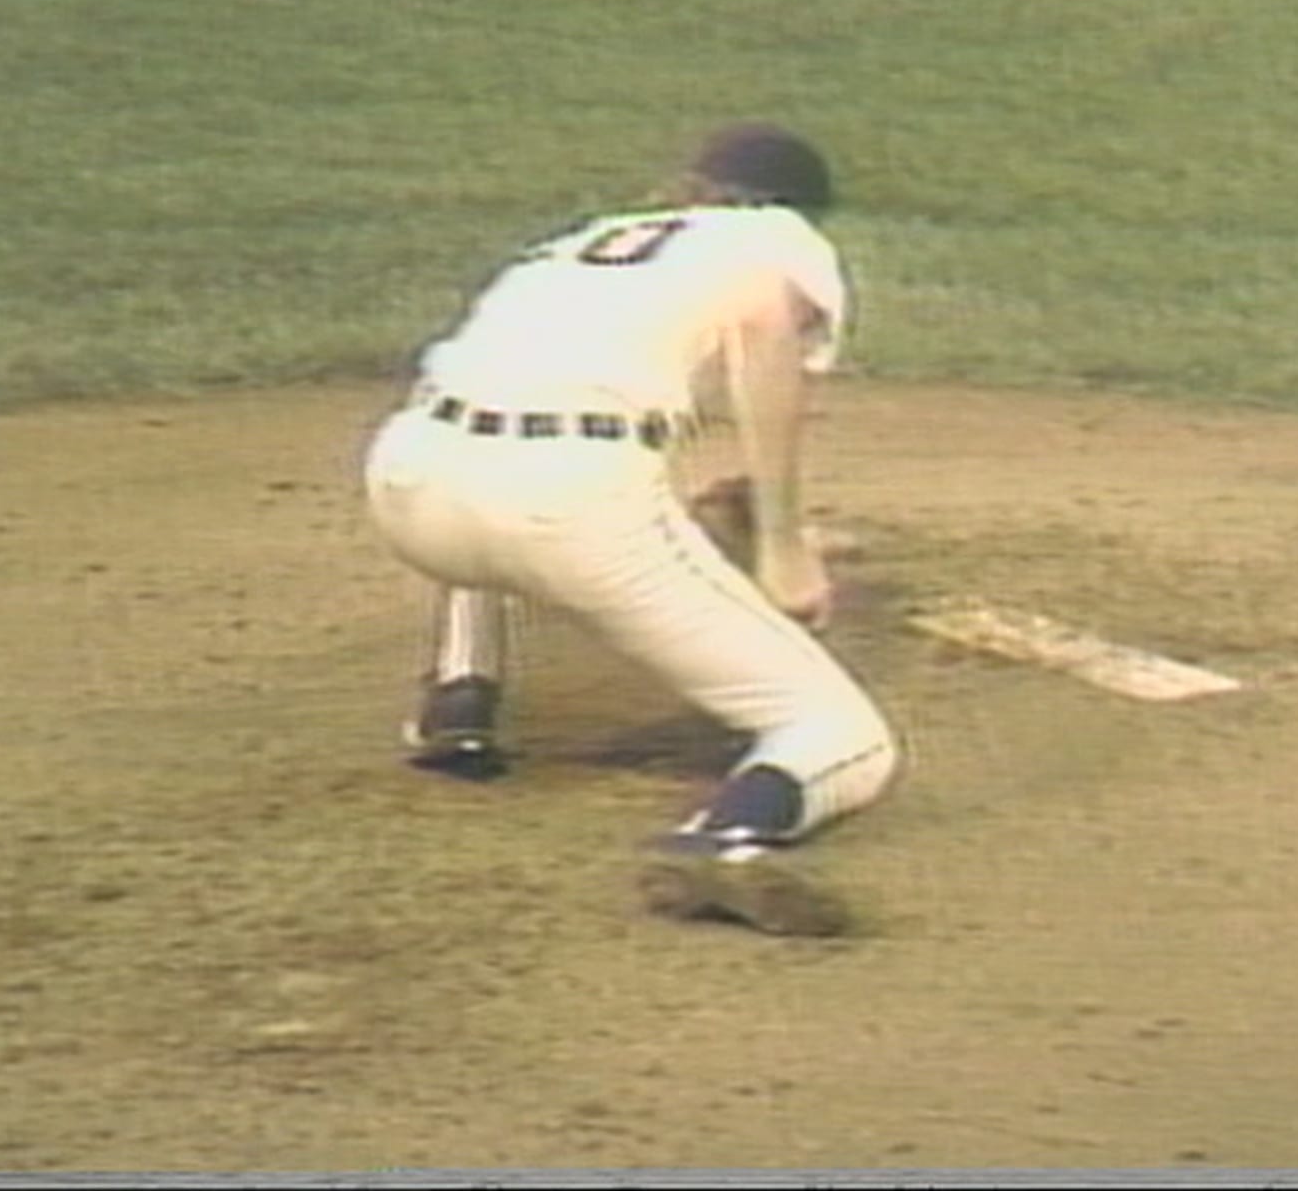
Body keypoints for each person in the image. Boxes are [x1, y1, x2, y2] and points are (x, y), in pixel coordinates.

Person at [359, 123, 900, 936]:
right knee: (844, 735)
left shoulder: (587, 244)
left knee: (489, 468)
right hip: (562, 507)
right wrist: (784, 546)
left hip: (407, 480)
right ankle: (720, 841)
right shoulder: (777, 237)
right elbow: (765, 332)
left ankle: (460, 701)